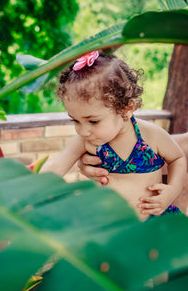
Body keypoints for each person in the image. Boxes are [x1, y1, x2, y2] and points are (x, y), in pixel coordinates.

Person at [41, 51, 186, 220]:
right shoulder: (85, 141)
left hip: (152, 226)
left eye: (93, 121)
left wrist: (172, 189)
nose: (83, 131)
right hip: (109, 227)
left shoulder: (151, 135)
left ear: (127, 108)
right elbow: (55, 167)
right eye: (75, 121)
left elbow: (177, 158)